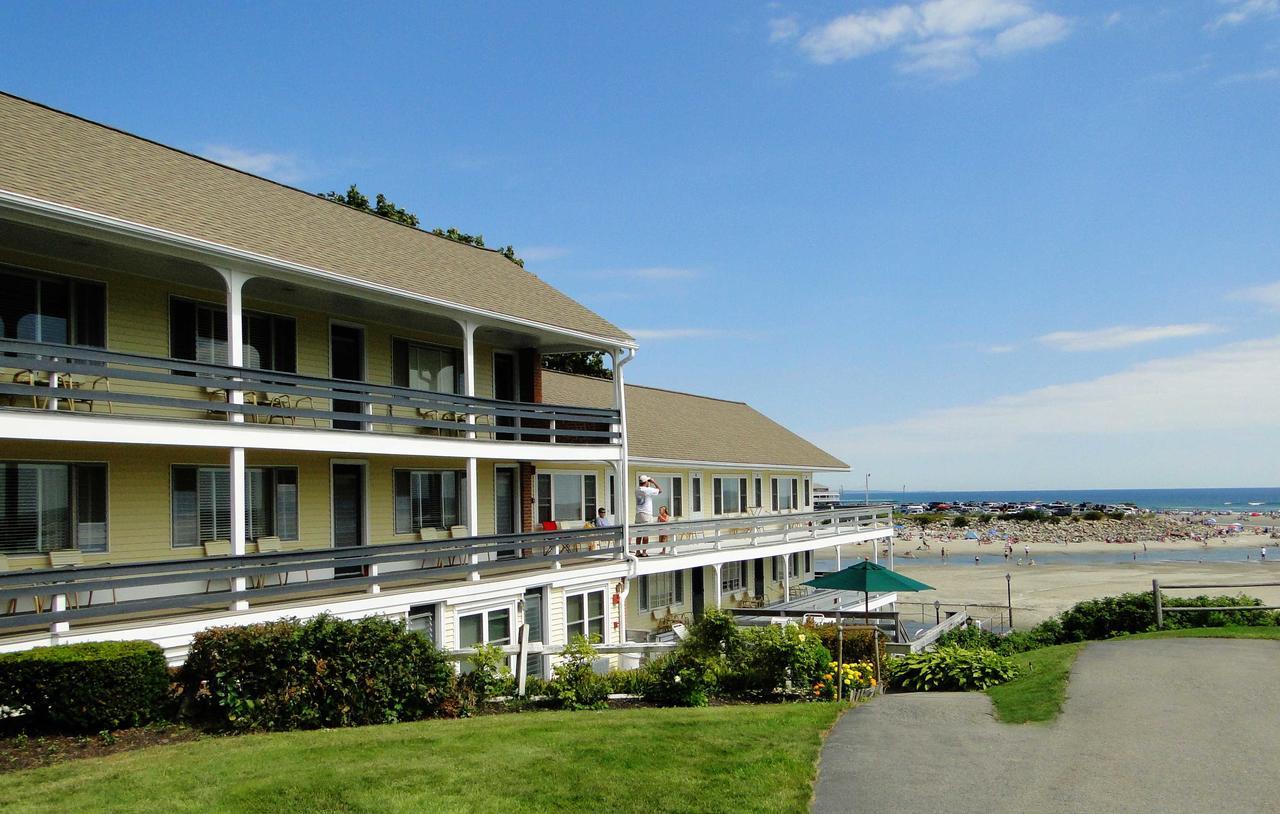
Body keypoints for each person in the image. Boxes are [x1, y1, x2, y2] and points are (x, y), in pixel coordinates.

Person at [635, 475, 661, 556]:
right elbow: (660, 490)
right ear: (646, 482)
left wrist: (647, 482)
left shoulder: (637, 489)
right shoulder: (647, 490)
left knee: (639, 534)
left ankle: (637, 551)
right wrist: (653, 482)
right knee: (646, 534)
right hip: (646, 514)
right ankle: (644, 552)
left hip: (638, 514)